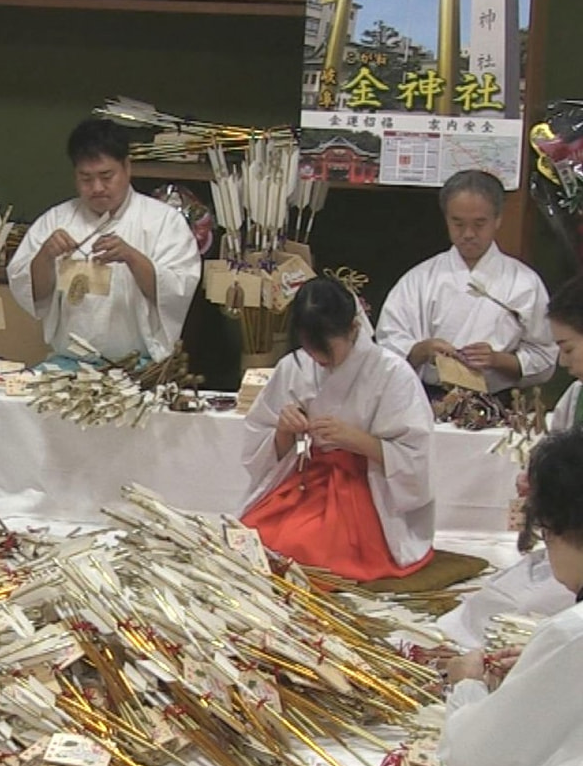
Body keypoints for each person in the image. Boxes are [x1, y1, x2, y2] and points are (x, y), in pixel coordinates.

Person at [268, 428, 583, 766]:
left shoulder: (572, 636)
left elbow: (484, 763)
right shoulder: (569, 639)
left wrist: (467, 686)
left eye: (548, 537)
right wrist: (539, 670)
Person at [240, 277, 435, 582]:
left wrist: (357, 440)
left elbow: (415, 454)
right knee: (255, 538)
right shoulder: (295, 365)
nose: (318, 359)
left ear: (354, 329)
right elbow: (259, 438)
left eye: (327, 351)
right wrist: (284, 430)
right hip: (303, 477)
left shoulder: (392, 372)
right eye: (310, 348)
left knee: (304, 548)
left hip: (361, 486)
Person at [438, 272, 583, 647]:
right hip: (571, 535)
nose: (563, 362)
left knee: (526, 609)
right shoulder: (575, 397)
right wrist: (541, 481)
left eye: (568, 348)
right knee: (496, 594)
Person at [6, 118, 201, 367]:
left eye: (106, 176)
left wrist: (132, 257)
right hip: (68, 363)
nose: (97, 188)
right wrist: (44, 256)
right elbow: (32, 294)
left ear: (127, 168)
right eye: (86, 178)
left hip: (140, 365)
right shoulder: (56, 220)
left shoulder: (163, 221)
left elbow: (176, 292)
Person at [376, 168, 556, 396]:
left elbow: (545, 355)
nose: (468, 233)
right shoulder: (419, 280)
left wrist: (497, 360)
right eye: (458, 223)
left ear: (498, 219)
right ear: (446, 219)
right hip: (428, 398)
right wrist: (423, 350)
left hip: (497, 401)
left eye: (479, 223)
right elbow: (387, 347)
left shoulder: (525, 283)